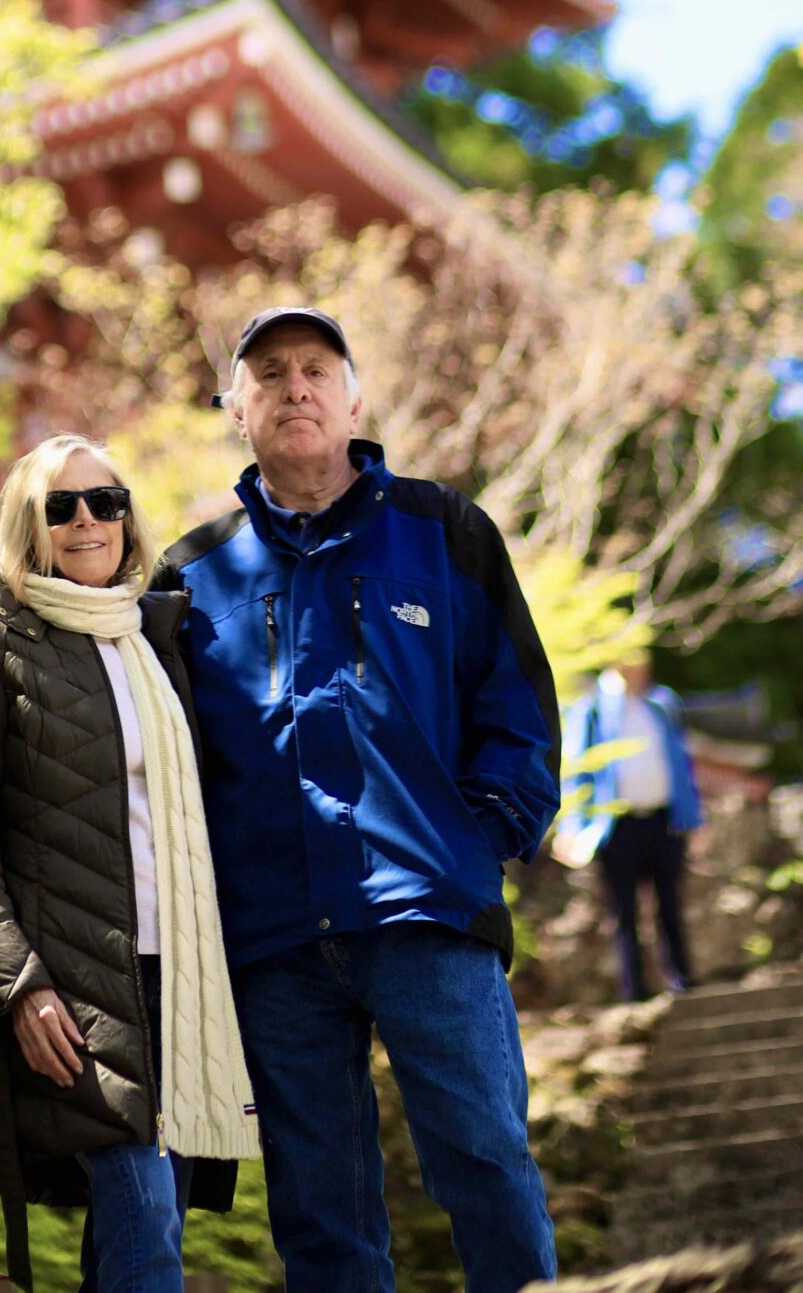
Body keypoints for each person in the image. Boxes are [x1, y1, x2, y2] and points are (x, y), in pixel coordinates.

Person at [153, 306, 560, 1293]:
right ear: (234, 407)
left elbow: (518, 703)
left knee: (486, 1158)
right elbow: (151, 751)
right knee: (319, 1209)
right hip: (274, 936)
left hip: (426, 912)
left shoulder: (444, 528)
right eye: (270, 373)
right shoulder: (187, 573)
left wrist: (476, 841)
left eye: (316, 369)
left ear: (352, 396)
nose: (295, 386)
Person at [0, 435, 259, 1293]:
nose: (86, 521)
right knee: (146, 1225)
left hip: (178, 981)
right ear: (28, 528)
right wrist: (16, 985)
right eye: (60, 506)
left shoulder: (155, 640)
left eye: (105, 502)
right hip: (73, 989)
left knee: (140, 1233)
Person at [563, 654, 701, 999]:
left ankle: (681, 978)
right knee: (623, 911)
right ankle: (633, 989)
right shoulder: (592, 709)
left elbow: (682, 765)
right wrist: (573, 827)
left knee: (669, 903)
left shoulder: (662, 704)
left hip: (663, 820)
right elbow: (578, 771)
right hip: (615, 825)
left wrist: (693, 818)